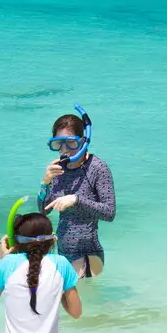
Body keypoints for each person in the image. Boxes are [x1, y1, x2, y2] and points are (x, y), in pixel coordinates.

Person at [40, 111, 114, 278]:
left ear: (83, 141)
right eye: (58, 144)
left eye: (71, 143)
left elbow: (109, 212)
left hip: (87, 256)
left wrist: (76, 200)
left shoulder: (97, 168)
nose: (64, 150)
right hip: (63, 255)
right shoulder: (58, 169)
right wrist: (44, 183)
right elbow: (44, 211)